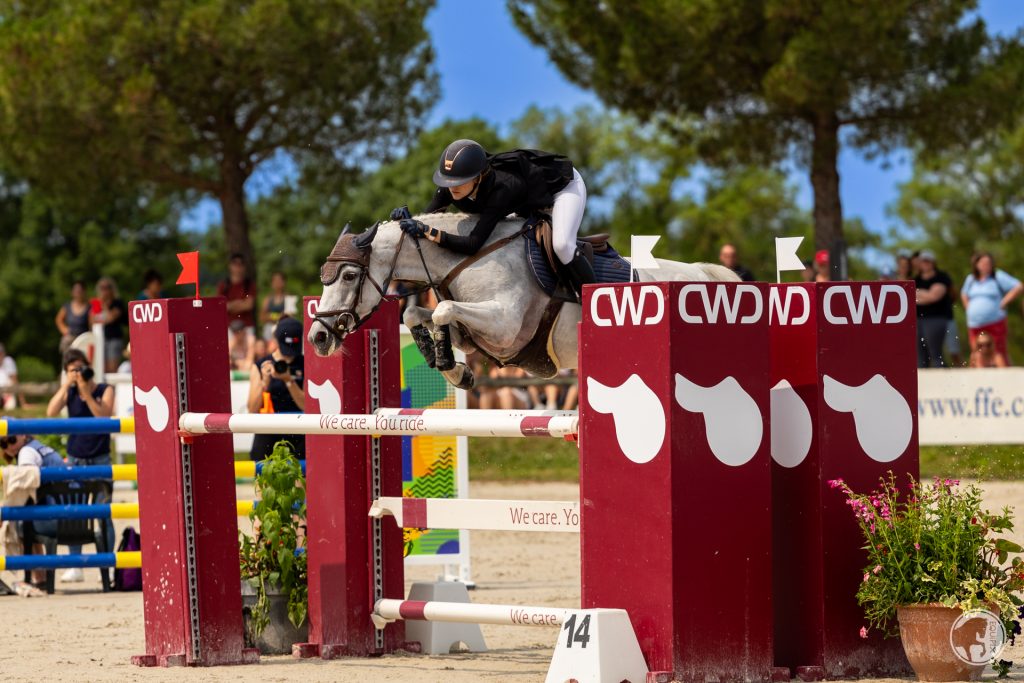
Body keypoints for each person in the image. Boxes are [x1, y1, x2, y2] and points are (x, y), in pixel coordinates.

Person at [394, 139, 595, 294]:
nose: (452, 186)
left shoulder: (502, 190)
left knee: (562, 245)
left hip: (563, 187)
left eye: (459, 181)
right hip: (525, 198)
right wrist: (407, 220)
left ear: (479, 176)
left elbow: (473, 244)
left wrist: (429, 231)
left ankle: (596, 300)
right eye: (448, 181)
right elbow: (427, 219)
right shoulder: (452, 187)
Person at [45, 349, 116, 582]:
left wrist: (86, 393)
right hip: (75, 459)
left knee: (103, 514)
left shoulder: (105, 389)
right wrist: (67, 386)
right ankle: (76, 565)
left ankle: (107, 564)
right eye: (72, 369)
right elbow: (50, 411)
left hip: (100, 459)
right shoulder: (70, 391)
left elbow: (103, 418)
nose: (78, 373)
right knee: (74, 515)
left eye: (80, 368)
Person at [247, 318, 305, 460]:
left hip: (299, 428)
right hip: (268, 428)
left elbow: (306, 405)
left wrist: (288, 381)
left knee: (300, 477)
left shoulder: (306, 364)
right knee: (263, 475)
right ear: (277, 340)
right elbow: (252, 410)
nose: (290, 354)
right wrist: (264, 384)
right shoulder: (261, 365)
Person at [961, 251, 1023, 365]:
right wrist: (968, 307)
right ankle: (976, 380)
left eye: (988, 263)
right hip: (975, 323)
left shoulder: (997, 276)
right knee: (976, 352)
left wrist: (1004, 301)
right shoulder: (971, 279)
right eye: (983, 262)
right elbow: (963, 293)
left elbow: (1018, 286)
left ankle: (1005, 378)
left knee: (999, 352)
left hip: (995, 321)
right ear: (976, 264)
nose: (986, 265)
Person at [914, 251, 954, 368]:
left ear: (933, 262)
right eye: (923, 261)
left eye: (928, 261)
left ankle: (943, 381)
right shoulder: (915, 279)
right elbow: (909, 297)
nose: (925, 264)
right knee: (920, 355)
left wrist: (918, 294)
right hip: (918, 320)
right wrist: (926, 294)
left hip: (936, 319)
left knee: (935, 353)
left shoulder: (941, 277)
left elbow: (934, 296)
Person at [92, 277, 126, 374]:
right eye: (102, 288)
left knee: (112, 368)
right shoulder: (96, 303)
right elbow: (93, 321)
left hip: (114, 338)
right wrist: (99, 304)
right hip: (100, 338)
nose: (105, 290)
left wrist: (104, 305)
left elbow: (111, 318)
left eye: (107, 287)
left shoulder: (117, 302)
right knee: (100, 367)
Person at [218, 254, 257, 338]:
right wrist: (240, 303)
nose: (238, 268)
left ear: (244, 267)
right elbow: (221, 307)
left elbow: (248, 305)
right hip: (229, 327)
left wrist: (230, 305)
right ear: (230, 266)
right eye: (235, 264)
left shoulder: (249, 284)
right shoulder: (223, 285)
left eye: (241, 264)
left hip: (247, 327)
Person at [55, 280, 91, 354]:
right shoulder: (67, 306)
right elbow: (58, 319)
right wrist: (64, 330)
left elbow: (92, 324)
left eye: (80, 291)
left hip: (84, 338)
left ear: (84, 292)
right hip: (70, 337)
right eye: (76, 290)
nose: (78, 293)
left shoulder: (89, 307)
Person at [260, 271, 289, 340]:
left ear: (284, 282)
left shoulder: (288, 298)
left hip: (284, 327)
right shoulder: (267, 299)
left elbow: (290, 316)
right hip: (269, 329)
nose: (277, 283)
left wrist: (270, 316)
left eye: (279, 280)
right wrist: (279, 316)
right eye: (275, 280)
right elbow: (262, 317)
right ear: (272, 283)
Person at [0, 343, 23, 410]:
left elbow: (15, 382)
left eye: (0, 354)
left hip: (8, 396)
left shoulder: (8, 361)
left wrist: (22, 403)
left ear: (3, 354)